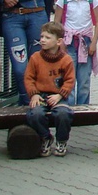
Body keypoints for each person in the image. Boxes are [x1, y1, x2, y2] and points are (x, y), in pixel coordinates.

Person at [25, 21, 75, 157]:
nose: (42, 40)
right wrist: (34, 94)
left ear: (58, 41)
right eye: (41, 37)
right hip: (40, 96)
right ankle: (46, 138)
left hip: (58, 97)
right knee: (35, 114)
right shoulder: (35, 58)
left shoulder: (66, 60)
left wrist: (60, 95)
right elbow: (29, 78)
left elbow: (70, 81)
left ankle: (61, 140)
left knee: (63, 114)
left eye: (47, 38)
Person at [54, 0, 98, 105]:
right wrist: (60, 41)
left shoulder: (92, 0)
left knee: (84, 79)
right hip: (68, 43)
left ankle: (83, 107)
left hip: (85, 42)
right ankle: (68, 107)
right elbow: (57, 22)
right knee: (69, 76)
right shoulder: (63, 0)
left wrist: (94, 43)